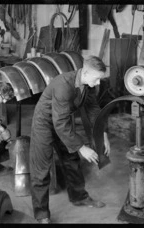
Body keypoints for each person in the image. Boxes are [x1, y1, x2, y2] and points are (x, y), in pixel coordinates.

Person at [29, 55, 111, 224]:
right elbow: (59, 123)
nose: (98, 84)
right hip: (45, 122)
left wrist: (103, 135)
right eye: (96, 79)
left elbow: (93, 110)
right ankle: (42, 214)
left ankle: (79, 196)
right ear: (86, 73)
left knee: (71, 159)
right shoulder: (63, 85)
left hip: (62, 120)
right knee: (42, 167)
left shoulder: (88, 85)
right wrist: (81, 147)